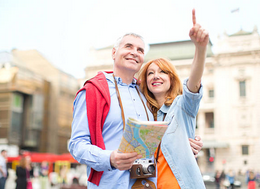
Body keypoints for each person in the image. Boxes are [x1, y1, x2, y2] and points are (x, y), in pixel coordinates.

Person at [69, 10, 203, 189]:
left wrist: (184, 144)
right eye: (128, 47)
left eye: (140, 50)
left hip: (146, 184)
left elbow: (164, 131)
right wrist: (110, 158)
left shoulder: (146, 95)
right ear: (114, 53)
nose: (134, 52)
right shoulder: (94, 91)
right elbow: (77, 145)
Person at [138, 9, 208, 188]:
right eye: (150, 73)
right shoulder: (143, 115)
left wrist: (200, 49)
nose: (156, 76)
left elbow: (194, 82)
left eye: (162, 72)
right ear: (145, 81)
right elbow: (141, 167)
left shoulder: (183, 106)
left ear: (171, 79)